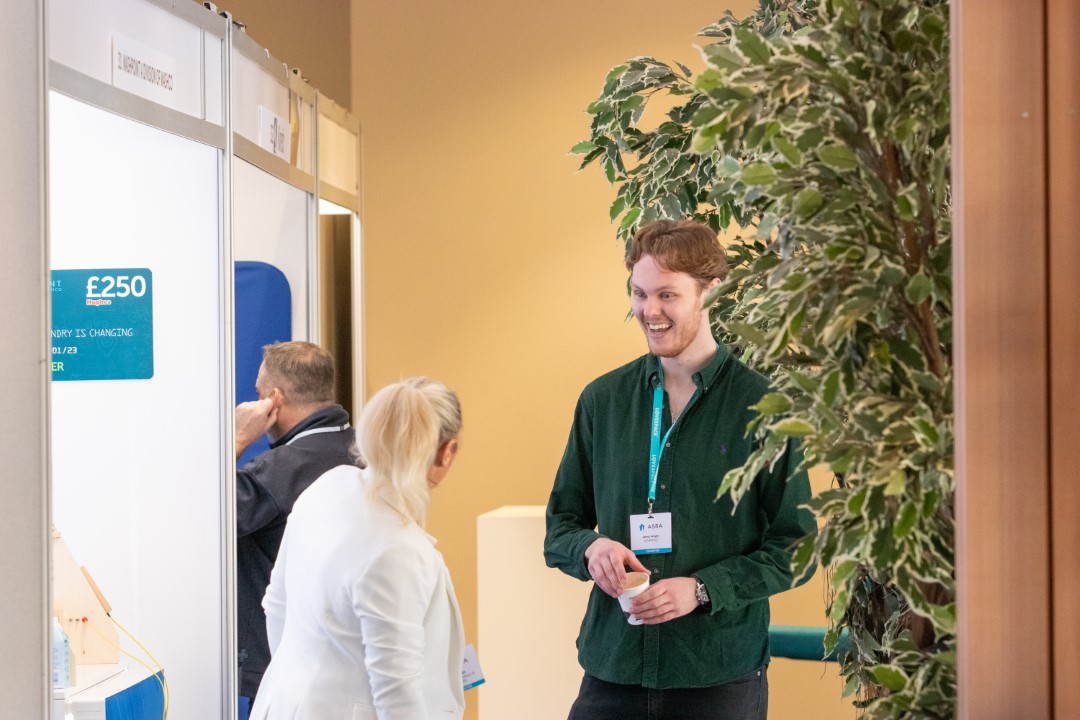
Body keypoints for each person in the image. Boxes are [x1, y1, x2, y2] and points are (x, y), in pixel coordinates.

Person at [544, 219, 817, 720]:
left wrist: (703, 589)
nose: (650, 311)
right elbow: (560, 528)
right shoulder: (602, 401)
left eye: (667, 295)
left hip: (716, 676)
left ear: (712, 292)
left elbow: (797, 548)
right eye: (640, 293)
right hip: (613, 670)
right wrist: (591, 549)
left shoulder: (765, 407)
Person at [250, 377, 467, 720]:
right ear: (447, 451)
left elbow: (277, 604)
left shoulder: (328, 485)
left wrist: (304, 688)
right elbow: (397, 694)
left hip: (283, 704)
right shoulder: (399, 550)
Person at [234, 341, 356, 713]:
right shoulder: (368, 456)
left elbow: (200, 519)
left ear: (273, 399)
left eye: (258, 393)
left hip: (286, 673)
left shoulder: (275, 474)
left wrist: (236, 439)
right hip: (355, 662)